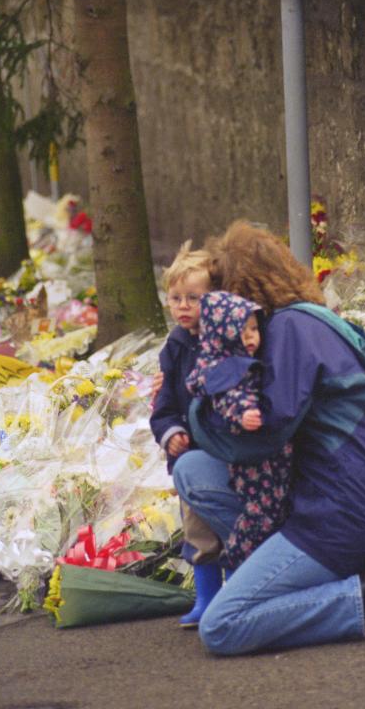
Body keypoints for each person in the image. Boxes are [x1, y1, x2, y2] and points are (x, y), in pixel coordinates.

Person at [173, 220, 365, 655]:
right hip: (335, 496)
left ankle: (362, 592)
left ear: (243, 290)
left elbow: (264, 437)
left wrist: (197, 411)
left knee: (223, 628)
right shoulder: (310, 321)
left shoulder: (289, 331)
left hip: (340, 513)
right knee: (193, 470)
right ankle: (283, 577)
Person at [185, 291, 293, 572]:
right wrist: (244, 415)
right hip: (256, 465)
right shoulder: (230, 368)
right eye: (242, 332)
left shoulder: (229, 362)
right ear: (224, 334)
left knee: (270, 509)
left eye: (255, 329)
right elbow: (231, 397)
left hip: (268, 461)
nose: (251, 338)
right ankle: (240, 560)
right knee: (261, 514)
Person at [149, 242, 223, 624]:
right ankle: (207, 597)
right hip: (188, 460)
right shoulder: (175, 347)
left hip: (225, 453)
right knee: (198, 531)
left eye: (193, 298)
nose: (182, 306)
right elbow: (162, 408)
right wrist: (171, 432)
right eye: (175, 298)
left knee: (232, 526)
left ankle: (238, 592)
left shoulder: (224, 341)